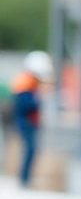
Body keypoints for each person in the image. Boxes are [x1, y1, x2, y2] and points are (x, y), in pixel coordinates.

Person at [10, 50, 52, 187]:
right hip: (25, 121)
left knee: (32, 149)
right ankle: (24, 178)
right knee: (30, 149)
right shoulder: (25, 83)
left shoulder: (30, 82)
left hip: (29, 121)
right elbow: (25, 105)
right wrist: (39, 98)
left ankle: (25, 178)